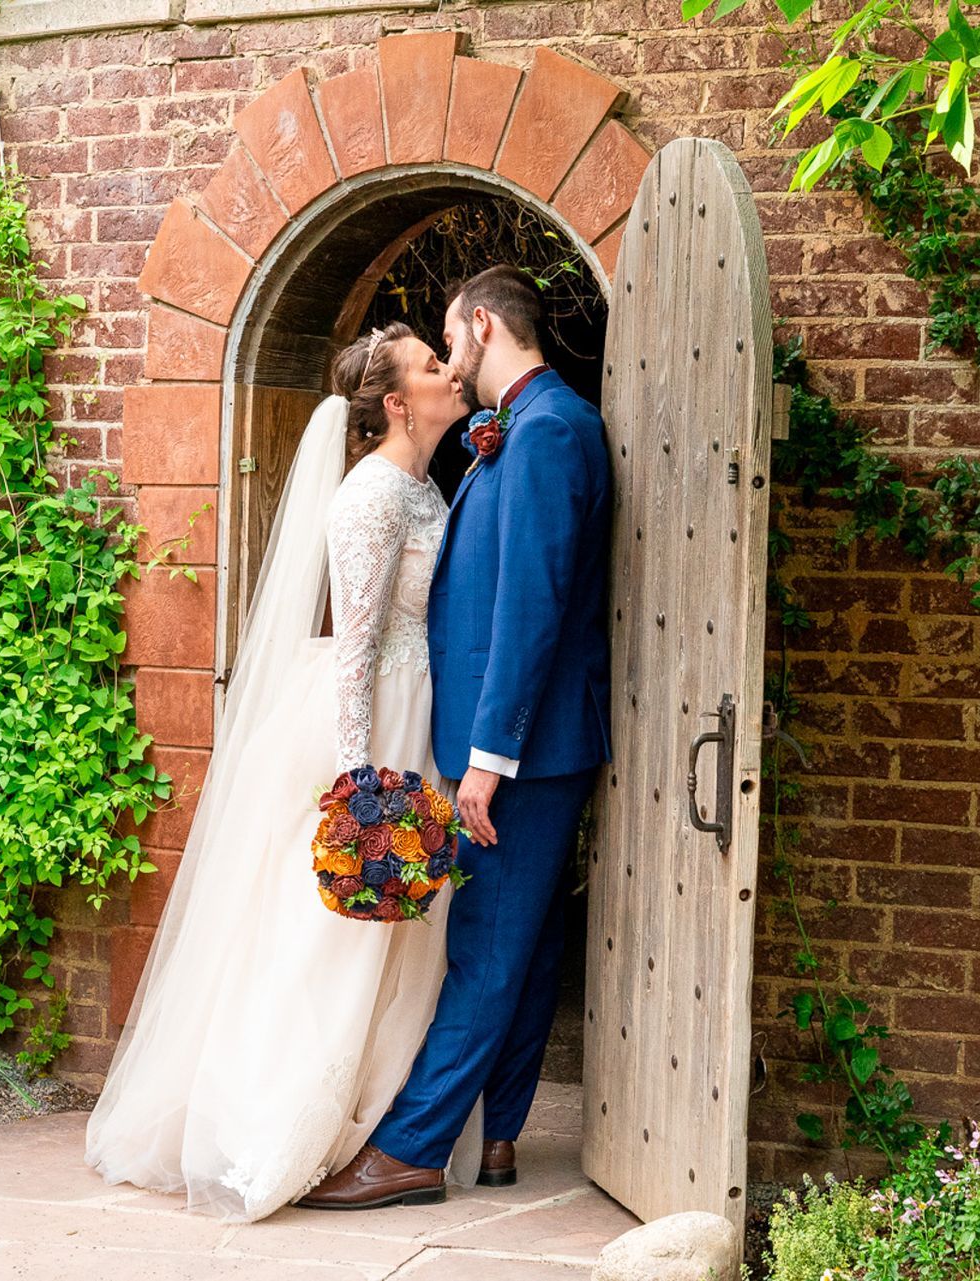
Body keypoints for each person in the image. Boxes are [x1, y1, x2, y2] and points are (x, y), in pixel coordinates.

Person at [83, 323, 483, 1220]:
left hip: (419, 712)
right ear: (395, 404)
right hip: (372, 722)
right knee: (328, 935)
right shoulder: (370, 497)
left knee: (400, 934)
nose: (450, 372)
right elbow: (354, 647)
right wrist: (359, 787)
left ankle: (374, 1116)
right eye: (431, 366)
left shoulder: (426, 487)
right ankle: (277, 1124)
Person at [300, 265, 613, 1210]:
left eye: (452, 341)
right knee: (518, 942)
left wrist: (488, 758)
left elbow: (530, 606)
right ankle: (504, 1131)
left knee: (485, 944)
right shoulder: (521, 429)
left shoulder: (551, 429)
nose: (451, 362)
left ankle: (413, 1148)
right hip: (511, 745)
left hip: (522, 751)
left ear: (483, 325)